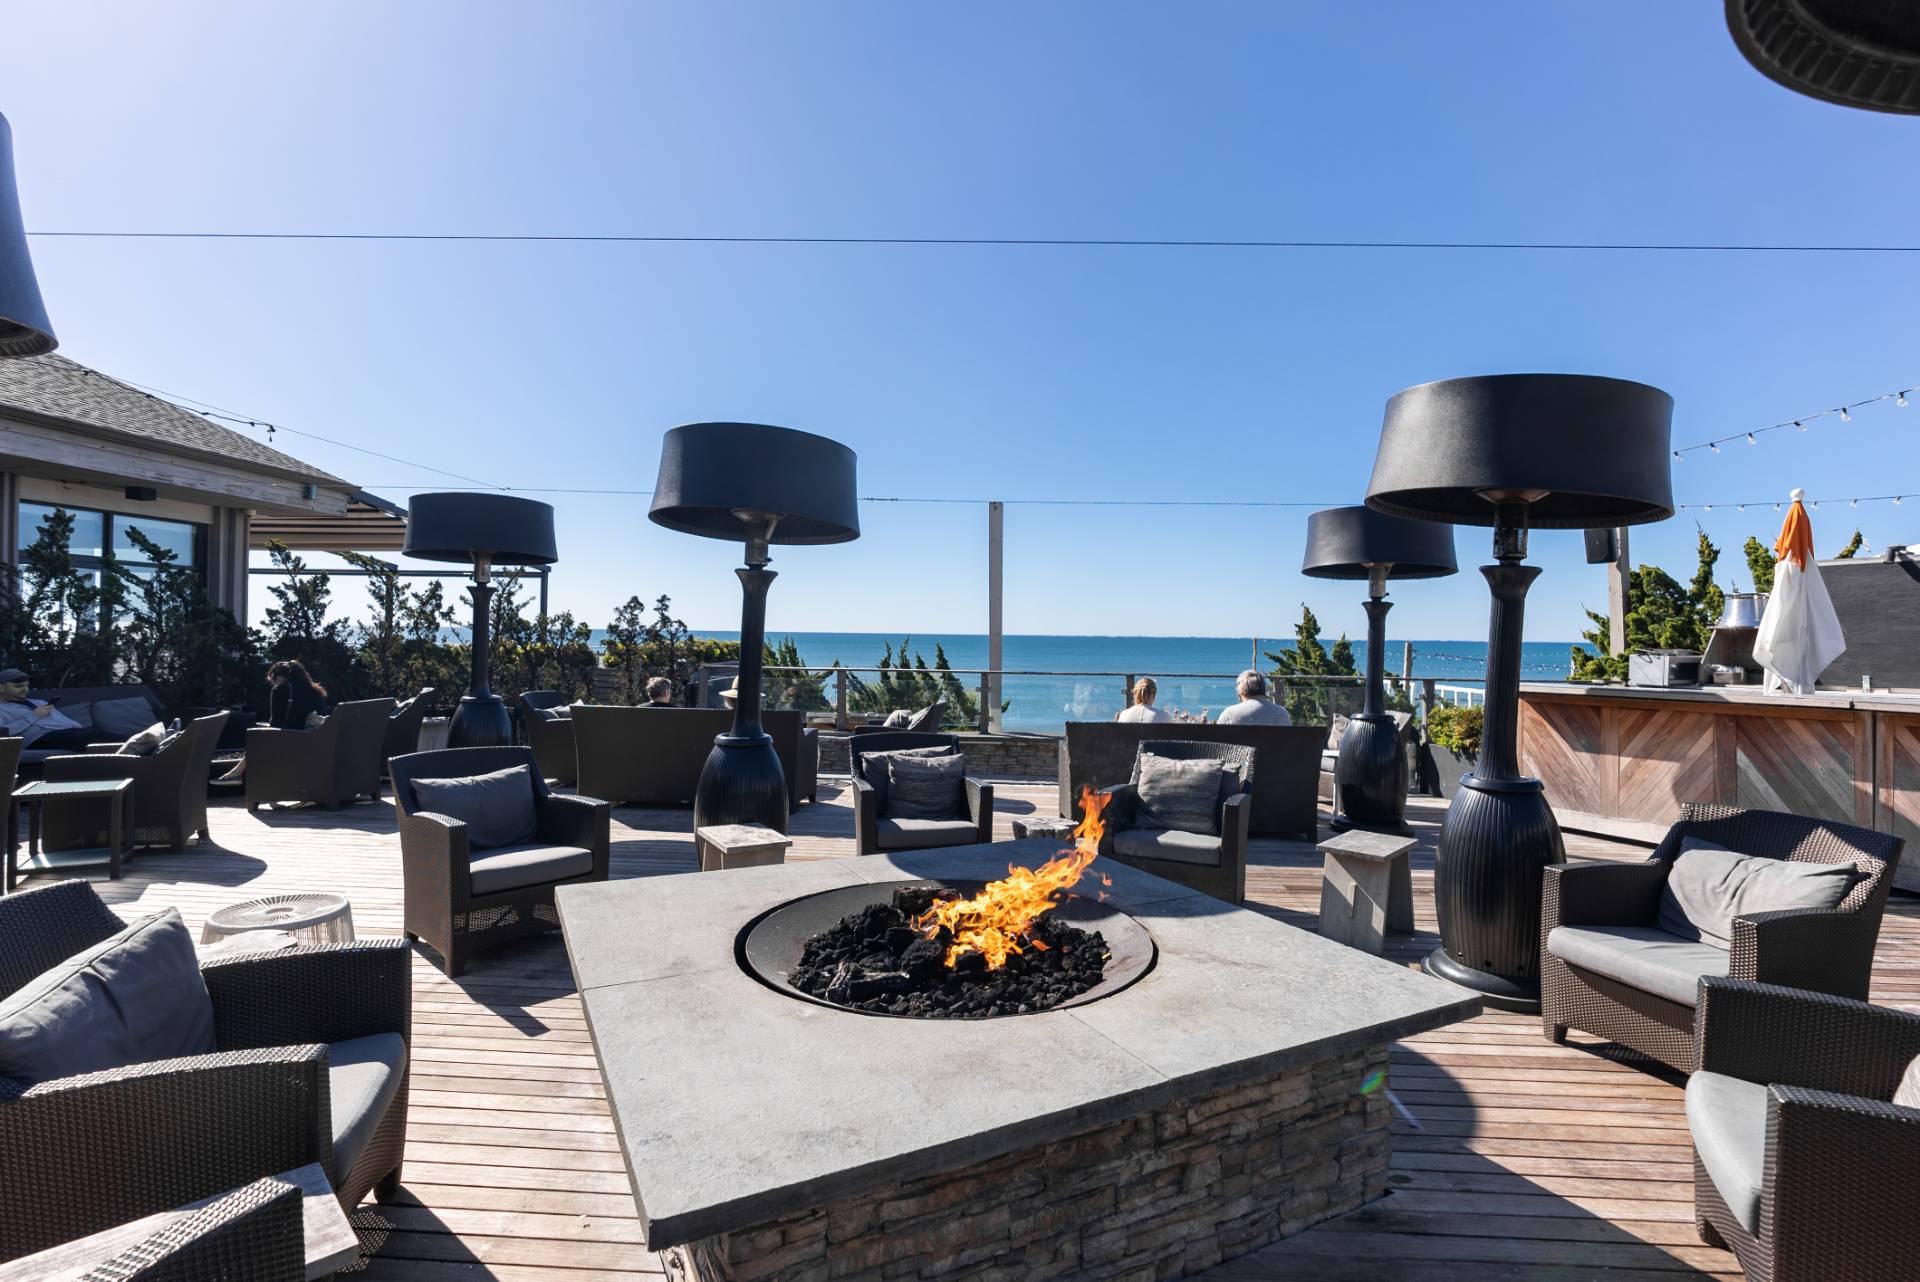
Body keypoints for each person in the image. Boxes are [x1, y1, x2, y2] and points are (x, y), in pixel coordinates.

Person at [218, 660, 329, 780]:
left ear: (279, 676)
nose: (272, 683)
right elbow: (321, 715)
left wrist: (265, 726)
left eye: (273, 680)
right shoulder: (315, 690)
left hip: (290, 740)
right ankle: (236, 772)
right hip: (313, 740)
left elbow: (276, 723)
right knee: (260, 736)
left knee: (256, 737)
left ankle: (237, 773)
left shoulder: (280, 689)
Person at [0, 667, 95, 751]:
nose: (25, 689)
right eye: (18, 686)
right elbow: (3, 733)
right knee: (93, 738)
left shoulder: (39, 702)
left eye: (26, 685)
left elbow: (65, 721)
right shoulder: (2, 709)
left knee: (99, 735)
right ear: (1, 688)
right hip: (39, 739)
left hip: (69, 733)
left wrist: (79, 728)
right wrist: (33, 716)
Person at [1216, 670, 1291, 726]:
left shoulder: (1230, 713)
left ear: (1241, 691)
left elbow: (1218, 740)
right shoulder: (1281, 713)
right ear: (1264, 689)